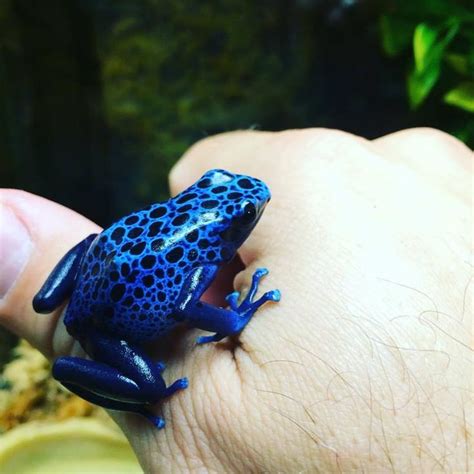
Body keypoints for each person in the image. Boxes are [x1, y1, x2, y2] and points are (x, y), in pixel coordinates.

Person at [0, 127, 471, 473]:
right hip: (106, 330)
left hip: (98, 270)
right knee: (148, 386)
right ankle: (148, 397)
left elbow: (180, 299)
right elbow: (188, 307)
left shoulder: (199, 240)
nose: (257, 203)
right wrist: (235, 318)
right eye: (247, 213)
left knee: (87, 265)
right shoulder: (205, 254)